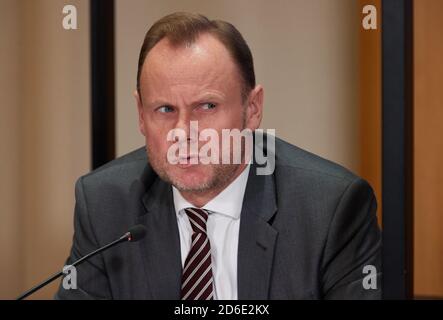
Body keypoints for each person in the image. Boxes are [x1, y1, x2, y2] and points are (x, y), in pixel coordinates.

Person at [56, 12, 381, 300]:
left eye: (207, 106)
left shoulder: (330, 209)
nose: (183, 132)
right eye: (165, 109)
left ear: (252, 109)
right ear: (141, 115)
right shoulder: (104, 205)